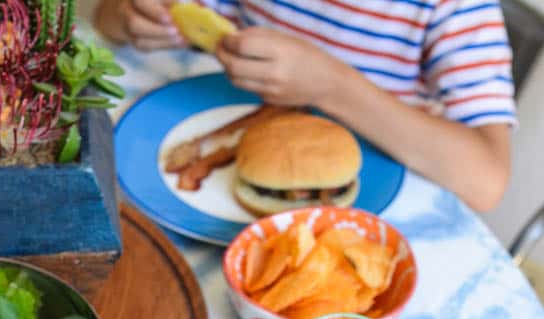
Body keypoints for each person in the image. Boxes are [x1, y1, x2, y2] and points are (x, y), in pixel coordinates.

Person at [95, 0, 515, 212]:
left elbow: (486, 179)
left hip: (357, 210)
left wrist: (331, 87)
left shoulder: (456, 8)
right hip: (191, 182)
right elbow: (106, 21)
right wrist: (132, 15)